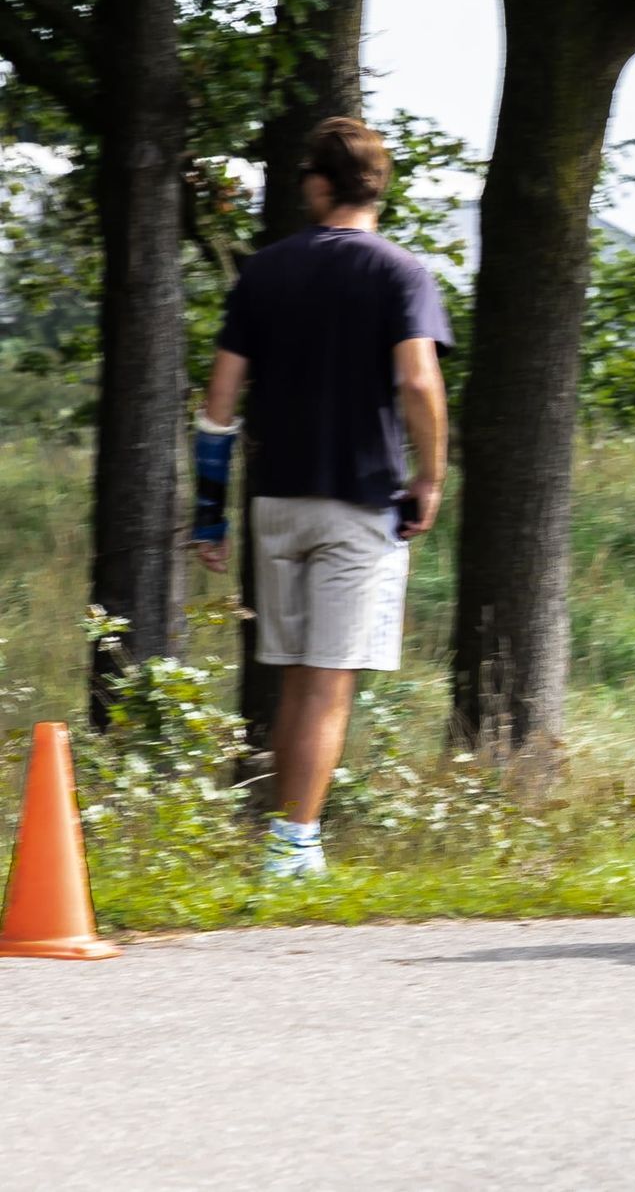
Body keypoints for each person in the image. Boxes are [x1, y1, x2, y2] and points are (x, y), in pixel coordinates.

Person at [191, 117, 452, 880]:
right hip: (359, 501)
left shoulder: (263, 273)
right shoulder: (402, 273)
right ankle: (293, 846)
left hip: (276, 503)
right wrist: (430, 476)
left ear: (316, 182)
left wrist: (211, 510)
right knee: (330, 679)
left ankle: (288, 837)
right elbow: (417, 380)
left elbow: (219, 398)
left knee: (299, 677)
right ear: (378, 184)